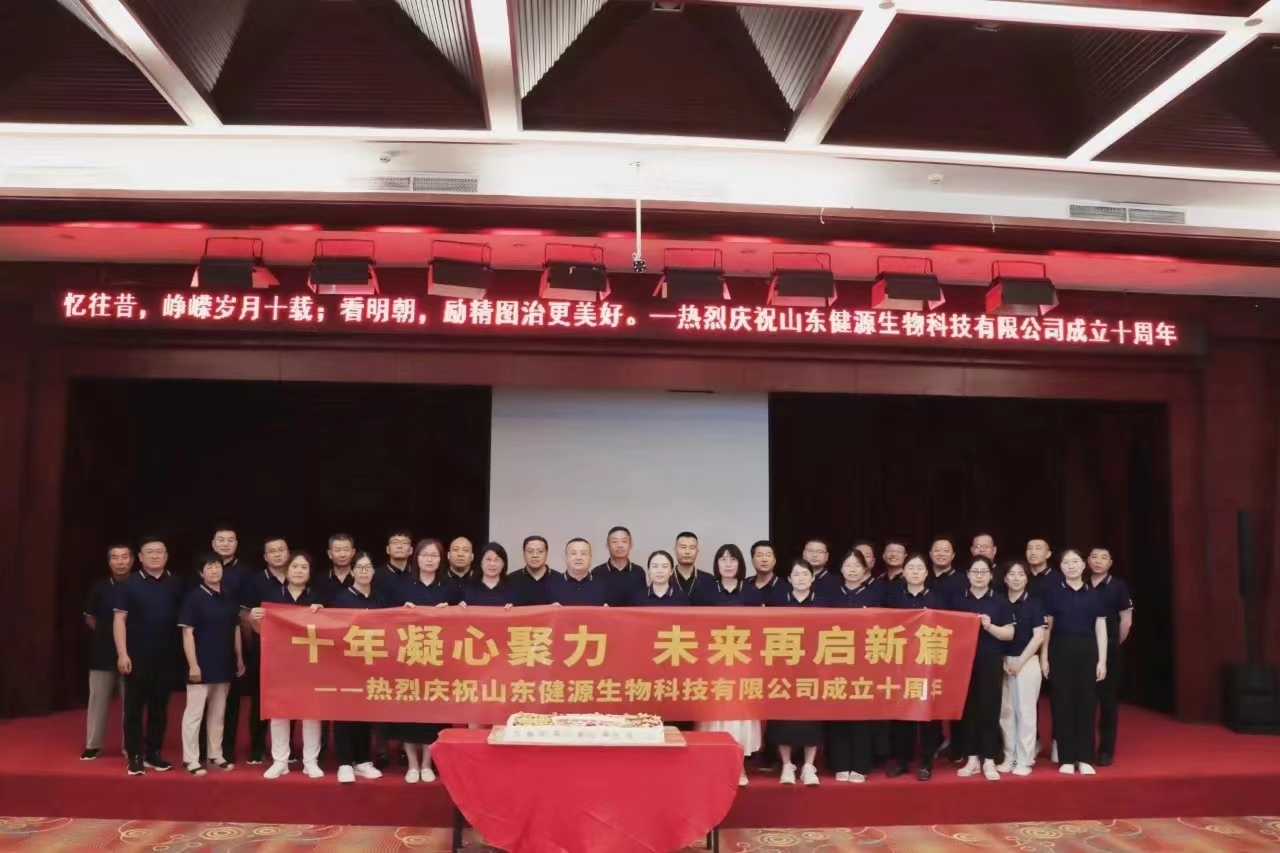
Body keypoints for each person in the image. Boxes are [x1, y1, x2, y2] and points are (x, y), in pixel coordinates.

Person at [250, 550, 326, 780]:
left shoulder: (318, 598)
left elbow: (330, 631)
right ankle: (280, 761)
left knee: (311, 713)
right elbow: (262, 632)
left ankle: (310, 761)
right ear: (286, 570)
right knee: (279, 711)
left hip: (310, 664)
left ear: (310, 572)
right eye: (295, 566)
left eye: (304, 567)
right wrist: (254, 619)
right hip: (280, 663)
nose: (299, 571)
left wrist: (324, 614)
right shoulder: (272, 596)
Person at [693, 544, 762, 786]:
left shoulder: (752, 592)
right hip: (714, 662)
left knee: (738, 715)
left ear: (740, 564)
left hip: (742, 662)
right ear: (717, 564)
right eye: (723, 560)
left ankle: (738, 766)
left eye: (733, 560)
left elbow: (761, 628)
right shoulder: (705, 591)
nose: (728, 564)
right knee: (714, 714)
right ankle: (714, 766)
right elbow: (694, 626)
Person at [114, 535, 182, 776]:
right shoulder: (129, 583)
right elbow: (119, 619)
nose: (155, 555)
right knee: (134, 706)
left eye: (160, 552)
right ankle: (135, 755)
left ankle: (154, 753)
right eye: (150, 552)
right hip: (137, 655)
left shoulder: (175, 582)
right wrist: (122, 654)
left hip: (167, 655)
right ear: (141, 558)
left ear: (166, 556)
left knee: (159, 707)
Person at [394, 538, 457, 782]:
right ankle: (412, 764)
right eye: (425, 555)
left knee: (434, 714)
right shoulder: (402, 586)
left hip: (438, 660)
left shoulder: (450, 587)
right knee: (410, 714)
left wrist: (452, 611)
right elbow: (386, 619)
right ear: (416, 558)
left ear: (442, 560)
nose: (429, 559)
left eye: (434, 555)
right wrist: (402, 612)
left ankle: (428, 763)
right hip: (409, 659)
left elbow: (463, 621)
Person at [1041, 548, 1107, 775]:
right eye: (1066, 562)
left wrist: (1102, 660)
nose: (1071, 565)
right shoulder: (1053, 593)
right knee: (1063, 703)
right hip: (1060, 650)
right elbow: (1047, 628)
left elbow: (1100, 628)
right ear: (1061, 567)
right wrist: (1044, 657)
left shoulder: (1094, 594)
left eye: (1075, 561)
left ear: (1083, 565)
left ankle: (1085, 757)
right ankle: (1067, 758)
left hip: (1088, 651)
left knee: (1087, 703)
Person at [178, 553, 246, 776]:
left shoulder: (228, 595)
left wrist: (239, 657)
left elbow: (235, 628)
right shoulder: (194, 598)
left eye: (217, 566)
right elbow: (187, 633)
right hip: (201, 663)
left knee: (218, 713)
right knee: (194, 713)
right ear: (201, 573)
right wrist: (193, 665)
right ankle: (190, 758)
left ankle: (215, 754)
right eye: (209, 567)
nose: (215, 570)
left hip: (224, 663)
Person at [950, 556, 1016, 780]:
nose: (979, 576)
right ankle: (971, 759)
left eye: (983, 572)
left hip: (990, 660)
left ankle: (989, 759)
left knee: (990, 709)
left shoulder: (1000, 601)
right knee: (968, 710)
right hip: (963, 662)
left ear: (990, 576)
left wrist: (990, 626)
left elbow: (1009, 634)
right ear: (968, 575)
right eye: (975, 572)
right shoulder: (958, 600)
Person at [766, 559, 828, 786]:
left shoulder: (823, 604)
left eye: (805, 574)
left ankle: (809, 766)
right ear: (789, 579)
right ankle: (787, 765)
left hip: (813, 666)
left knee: (812, 717)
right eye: (796, 574)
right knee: (783, 717)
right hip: (783, 667)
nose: (801, 578)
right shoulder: (778, 603)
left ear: (812, 578)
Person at [331, 550, 390, 783]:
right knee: (345, 714)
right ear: (352, 571)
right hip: (346, 665)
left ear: (374, 571)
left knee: (366, 714)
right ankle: (345, 763)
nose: (364, 572)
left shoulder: (380, 598)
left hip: (373, 666)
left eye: (368, 567)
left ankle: (363, 761)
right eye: (360, 568)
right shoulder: (341, 598)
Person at [886, 553, 944, 781]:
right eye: (911, 567)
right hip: (901, 663)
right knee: (902, 715)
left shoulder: (937, 599)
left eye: (920, 568)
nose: (915, 572)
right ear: (904, 572)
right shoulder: (894, 598)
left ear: (927, 572)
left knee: (928, 716)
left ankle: (927, 762)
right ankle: (902, 761)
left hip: (928, 664)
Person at [827, 549, 884, 783]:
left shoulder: (875, 596)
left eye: (857, 566)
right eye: (848, 565)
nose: (852, 570)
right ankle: (840, 763)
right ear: (841, 569)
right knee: (838, 714)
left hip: (865, 664)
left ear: (865, 569)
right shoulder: (830, 596)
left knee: (862, 715)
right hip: (835, 662)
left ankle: (861, 765)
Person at [234, 535, 289, 765]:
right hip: (263, 649)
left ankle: (288, 748)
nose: (277, 554)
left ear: (288, 553)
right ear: (265, 557)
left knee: (291, 698)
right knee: (261, 700)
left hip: (293, 652)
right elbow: (243, 614)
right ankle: (257, 747)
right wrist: (251, 618)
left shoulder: (298, 576)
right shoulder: (256, 581)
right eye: (272, 551)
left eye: (281, 549)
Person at [82, 543, 133, 760]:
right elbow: (90, 618)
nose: (120, 562)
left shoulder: (139, 586)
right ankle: (93, 744)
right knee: (98, 699)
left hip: (134, 653)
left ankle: (130, 745)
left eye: (124, 557)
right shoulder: (99, 588)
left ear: (132, 560)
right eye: (115, 558)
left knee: (132, 702)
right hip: (102, 653)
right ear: (109, 562)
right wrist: (107, 634)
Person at [998, 560, 1047, 776]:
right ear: (1005, 578)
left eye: (1020, 574)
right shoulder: (1000, 602)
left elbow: (1039, 637)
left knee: (1025, 712)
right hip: (1003, 662)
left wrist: (1020, 661)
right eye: (1012, 574)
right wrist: (1003, 660)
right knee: (1005, 712)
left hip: (1027, 661)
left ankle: (1025, 759)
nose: (1016, 578)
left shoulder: (1035, 603)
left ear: (1027, 579)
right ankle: (1009, 756)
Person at [1089, 546, 1133, 766]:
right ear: (1087, 561)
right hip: (1084, 647)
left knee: (1108, 700)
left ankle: (1106, 750)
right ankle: (1085, 748)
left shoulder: (1118, 586)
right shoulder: (1080, 583)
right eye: (1094, 557)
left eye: (1103, 557)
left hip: (1110, 647)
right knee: (1085, 699)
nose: (1098, 561)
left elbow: (1126, 621)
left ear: (1110, 563)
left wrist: (1113, 643)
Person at [590, 526, 646, 606]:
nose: (620, 545)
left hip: (633, 614)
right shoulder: (597, 573)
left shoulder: (638, 572)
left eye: (624, 541)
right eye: (614, 541)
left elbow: (643, 601)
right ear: (607, 546)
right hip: (606, 614)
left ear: (630, 545)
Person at [553, 538, 609, 606]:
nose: (578, 557)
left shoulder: (603, 585)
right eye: (573, 553)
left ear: (590, 558)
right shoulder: (553, 585)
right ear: (566, 557)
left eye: (583, 553)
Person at [460, 543, 516, 607]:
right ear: (481, 562)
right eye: (488, 559)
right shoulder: (468, 587)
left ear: (503, 564)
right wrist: (460, 608)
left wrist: (514, 609)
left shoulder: (513, 587)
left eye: (496, 560)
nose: (492, 564)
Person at [509, 535, 558, 606]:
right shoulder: (510, 581)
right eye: (530, 551)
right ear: (523, 553)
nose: (535, 555)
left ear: (547, 553)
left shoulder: (560, 580)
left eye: (540, 551)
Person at [317, 533, 357, 604]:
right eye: (337, 550)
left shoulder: (361, 578)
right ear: (329, 554)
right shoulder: (320, 580)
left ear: (353, 552)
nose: (342, 555)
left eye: (346, 550)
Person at [927, 536, 965, 604]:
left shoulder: (962, 580)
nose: (941, 554)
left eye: (946, 551)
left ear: (953, 555)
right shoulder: (922, 577)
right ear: (930, 554)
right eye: (937, 550)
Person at [673, 531, 710, 599]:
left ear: (697, 551)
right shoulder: (665, 578)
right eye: (683, 547)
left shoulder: (709, 580)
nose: (687, 552)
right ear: (675, 550)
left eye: (692, 548)